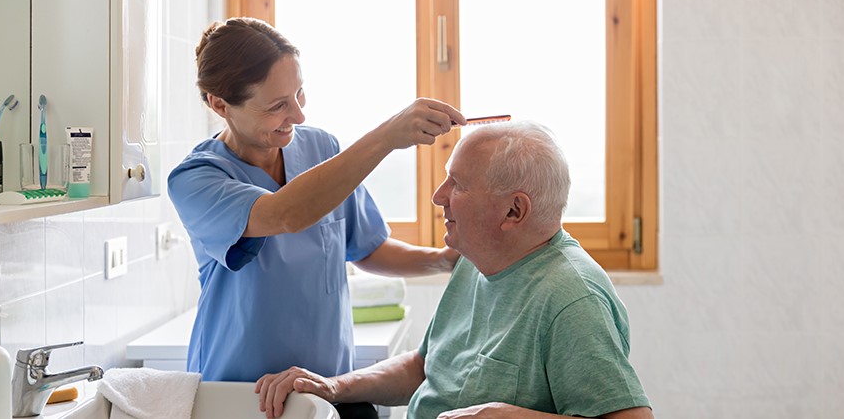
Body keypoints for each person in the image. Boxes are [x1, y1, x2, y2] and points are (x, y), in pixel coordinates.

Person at [167, 17, 467, 417]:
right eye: (277, 106)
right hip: (244, 397)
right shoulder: (196, 179)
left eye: (299, 94)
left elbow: (367, 247)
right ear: (220, 105)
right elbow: (285, 213)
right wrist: (386, 137)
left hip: (329, 388)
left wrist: (445, 261)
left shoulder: (322, 149)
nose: (298, 115)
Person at [255, 121, 653, 419]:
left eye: (457, 184)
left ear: (514, 211)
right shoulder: (476, 260)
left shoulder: (571, 298)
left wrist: (505, 416)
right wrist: (334, 386)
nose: (437, 196)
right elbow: (425, 365)